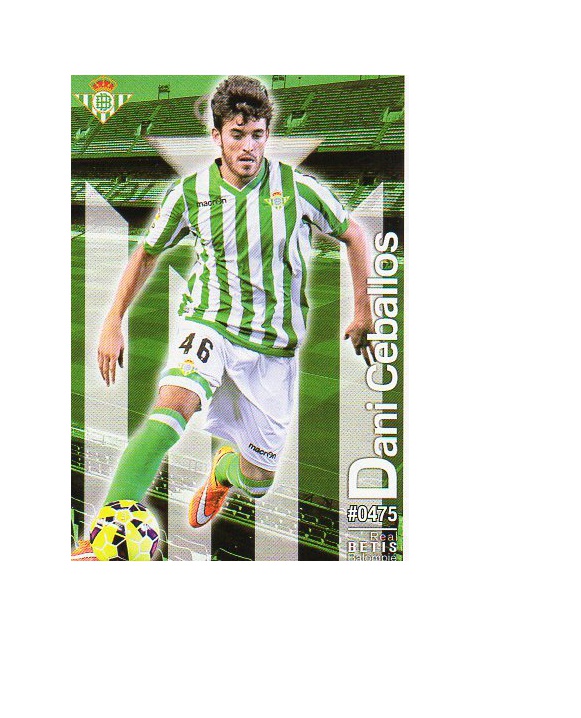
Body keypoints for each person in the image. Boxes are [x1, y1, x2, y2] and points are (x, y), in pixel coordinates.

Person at [72, 75, 375, 559]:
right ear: (217, 136)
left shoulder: (298, 190)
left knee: (258, 482)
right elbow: (147, 252)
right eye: (237, 135)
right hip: (209, 322)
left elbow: (354, 235)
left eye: (257, 135)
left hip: (272, 347)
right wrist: (113, 320)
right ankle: (99, 539)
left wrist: (363, 311)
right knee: (172, 405)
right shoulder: (189, 193)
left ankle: (224, 471)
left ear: (267, 135)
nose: (248, 146)